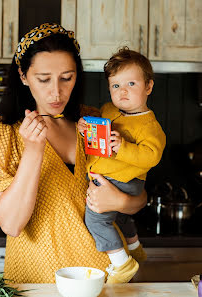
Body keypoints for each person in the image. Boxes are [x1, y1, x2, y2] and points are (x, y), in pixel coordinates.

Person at [0, 23, 147, 284]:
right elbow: (12, 224)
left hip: (106, 280)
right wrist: (34, 149)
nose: (56, 91)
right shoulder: (2, 132)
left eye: (67, 77)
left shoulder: (94, 121)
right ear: (23, 76)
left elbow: (139, 197)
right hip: (37, 282)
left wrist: (118, 202)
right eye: (43, 79)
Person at [78, 47, 166, 283]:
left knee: (97, 219)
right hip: (112, 177)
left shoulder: (149, 126)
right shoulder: (108, 110)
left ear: (148, 87)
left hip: (126, 181)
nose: (123, 91)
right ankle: (135, 247)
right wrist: (85, 128)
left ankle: (121, 264)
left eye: (131, 84)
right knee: (121, 218)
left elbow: (151, 157)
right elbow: (96, 130)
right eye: (116, 86)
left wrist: (123, 147)